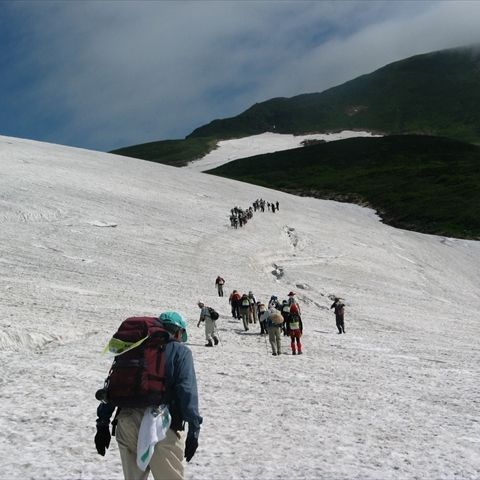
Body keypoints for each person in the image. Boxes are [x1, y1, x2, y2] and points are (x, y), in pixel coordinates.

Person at [94, 311, 202, 480]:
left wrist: (102, 423)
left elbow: (114, 385)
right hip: (163, 426)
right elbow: (187, 391)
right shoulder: (181, 352)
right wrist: (194, 429)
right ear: (178, 332)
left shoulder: (132, 348)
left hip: (127, 422)